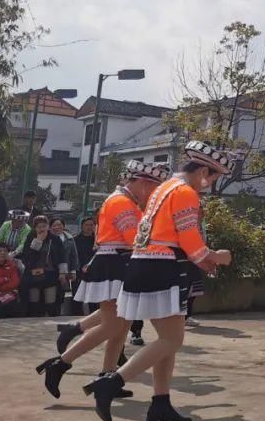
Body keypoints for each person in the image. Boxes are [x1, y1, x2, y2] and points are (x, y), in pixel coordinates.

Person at [84, 141, 232, 421]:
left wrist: (203, 258)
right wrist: (215, 257)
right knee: (172, 340)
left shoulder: (164, 188)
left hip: (145, 262)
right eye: (213, 178)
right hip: (164, 266)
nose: (210, 185)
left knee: (168, 341)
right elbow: (189, 237)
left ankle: (160, 403)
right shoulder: (186, 193)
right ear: (203, 170)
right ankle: (111, 383)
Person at [37, 161, 169, 400]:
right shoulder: (122, 202)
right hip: (114, 264)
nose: (153, 194)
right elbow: (136, 239)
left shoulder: (126, 201)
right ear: (141, 182)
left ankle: (107, 375)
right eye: (153, 187)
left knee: (122, 325)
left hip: (119, 263)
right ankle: (60, 364)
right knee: (112, 325)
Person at [20, 216, 69, 317]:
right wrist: (38, 241)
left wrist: (62, 273)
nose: (42, 229)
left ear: (48, 227)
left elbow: (62, 257)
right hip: (33, 275)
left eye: (44, 226)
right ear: (35, 228)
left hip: (51, 274)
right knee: (34, 302)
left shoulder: (55, 239)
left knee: (51, 302)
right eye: (39, 227)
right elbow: (27, 256)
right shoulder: (30, 237)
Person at [50, 217, 80, 315]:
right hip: (51, 270)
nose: (57, 227)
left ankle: (58, 313)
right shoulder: (48, 239)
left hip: (65, 271)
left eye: (59, 225)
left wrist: (73, 271)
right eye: (54, 225)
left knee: (61, 293)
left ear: (63, 226)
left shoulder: (69, 238)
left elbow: (73, 255)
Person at [72, 216, 97, 314]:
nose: (89, 227)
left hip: (95, 272)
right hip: (79, 271)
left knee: (94, 299)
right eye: (86, 225)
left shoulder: (98, 240)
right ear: (82, 226)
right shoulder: (75, 240)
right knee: (77, 298)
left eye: (91, 225)